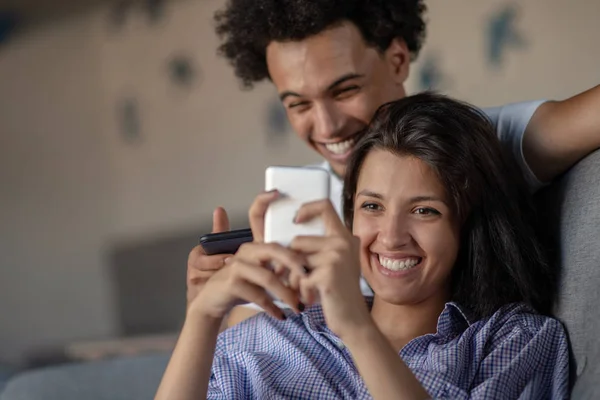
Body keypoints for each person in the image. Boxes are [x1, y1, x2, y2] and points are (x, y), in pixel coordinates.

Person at [188, 0, 600, 326]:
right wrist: (211, 309)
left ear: (398, 60)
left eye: (345, 90)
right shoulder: (291, 206)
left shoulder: (480, 144)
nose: (328, 126)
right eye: (299, 104)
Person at [156, 93, 570, 399]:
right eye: (372, 206)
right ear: (349, 215)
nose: (390, 237)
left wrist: (355, 327)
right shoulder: (272, 336)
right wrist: (202, 316)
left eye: (425, 211)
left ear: (469, 224)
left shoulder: (514, 341)